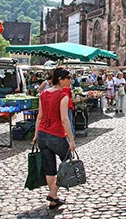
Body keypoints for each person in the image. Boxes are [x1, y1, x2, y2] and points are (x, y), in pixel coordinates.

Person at [32, 67, 76, 210]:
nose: (70, 80)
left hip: (43, 135)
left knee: (50, 167)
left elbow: (39, 116)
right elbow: (64, 119)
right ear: (60, 80)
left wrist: (36, 134)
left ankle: (53, 199)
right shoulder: (63, 96)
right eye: (68, 78)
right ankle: (53, 193)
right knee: (68, 162)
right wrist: (72, 140)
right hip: (56, 134)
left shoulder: (43, 94)